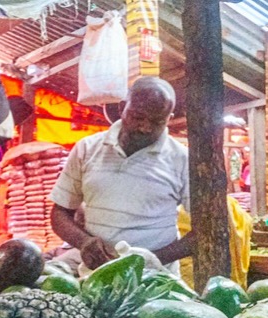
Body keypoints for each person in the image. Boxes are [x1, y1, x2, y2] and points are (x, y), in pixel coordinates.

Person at [49, 76, 191, 271]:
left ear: (169, 119)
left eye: (157, 122)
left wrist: (147, 261)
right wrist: (84, 242)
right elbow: (60, 212)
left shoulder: (182, 159)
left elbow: (205, 230)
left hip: (156, 280)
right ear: (122, 107)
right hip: (94, 273)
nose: (145, 127)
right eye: (138, 117)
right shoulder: (87, 149)